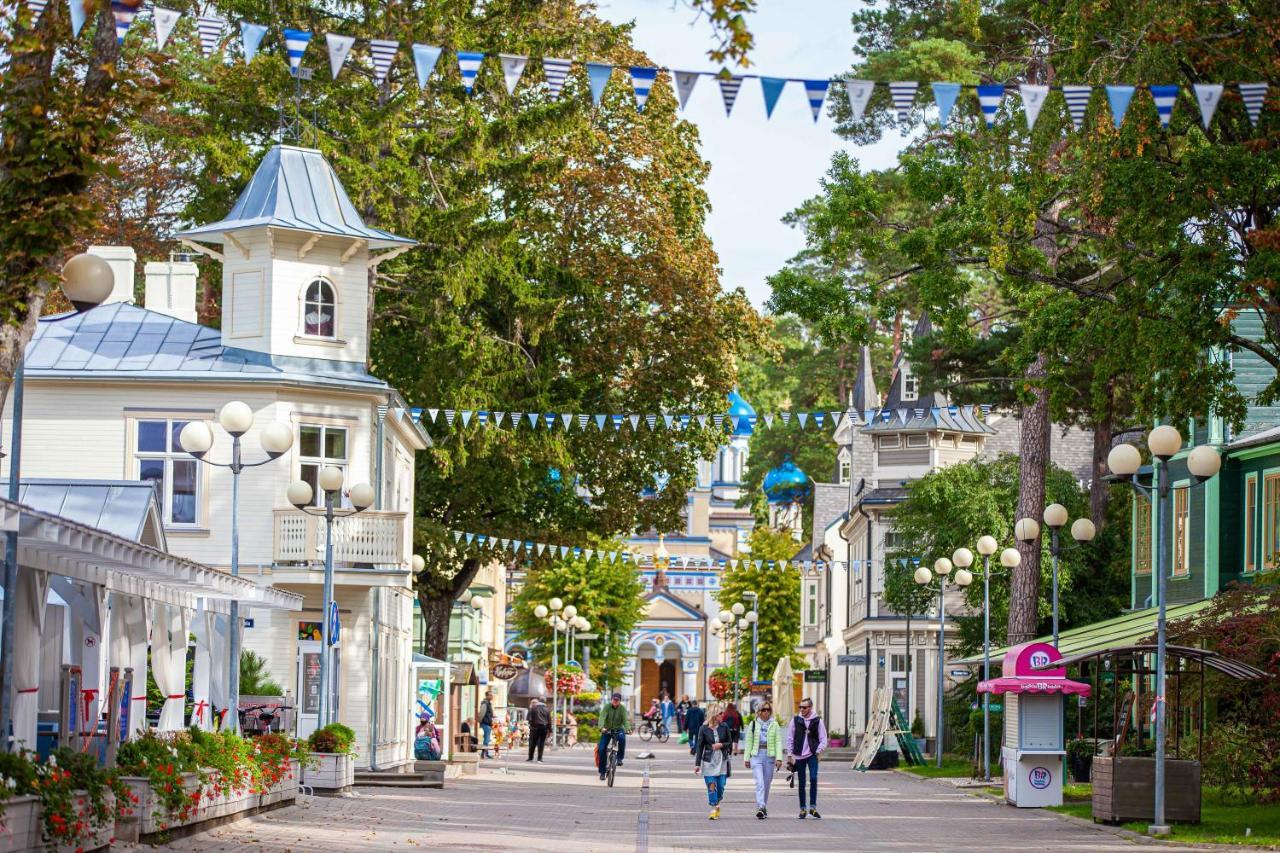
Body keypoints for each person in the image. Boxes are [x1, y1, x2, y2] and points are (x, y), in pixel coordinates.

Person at [784, 697, 828, 819]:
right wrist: (789, 755)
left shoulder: (817, 721)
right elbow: (790, 738)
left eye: (804, 707)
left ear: (810, 708)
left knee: (813, 778)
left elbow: (824, 738)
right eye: (800, 707)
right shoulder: (796, 720)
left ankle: (813, 807)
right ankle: (803, 808)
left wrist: (818, 751)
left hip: (812, 755)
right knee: (802, 782)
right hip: (799, 755)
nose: (802, 709)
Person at [693, 703, 733, 820]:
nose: (723, 715)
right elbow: (699, 747)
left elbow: (729, 743)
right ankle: (713, 808)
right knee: (711, 785)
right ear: (714, 715)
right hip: (708, 761)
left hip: (722, 761)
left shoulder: (724, 727)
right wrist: (697, 764)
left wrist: (721, 745)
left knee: (720, 785)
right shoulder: (703, 728)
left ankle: (717, 801)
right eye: (721, 713)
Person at [744, 702, 783, 819]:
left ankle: (763, 806)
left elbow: (778, 741)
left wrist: (779, 758)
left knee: (766, 783)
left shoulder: (775, 724)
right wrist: (747, 758)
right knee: (759, 782)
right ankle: (761, 806)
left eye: (768, 710)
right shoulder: (753, 724)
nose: (766, 712)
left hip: (769, 756)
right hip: (756, 755)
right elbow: (749, 742)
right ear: (759, 712)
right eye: (764, 710)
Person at [598, 692, 631, 780]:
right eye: (614, 700)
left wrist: (628, 728)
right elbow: (602, 717)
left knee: (622, 739)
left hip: (618, 729)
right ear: (611, 700)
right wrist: (601, 727)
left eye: (617, 700)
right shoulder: (607, 707)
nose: (615, 701)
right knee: (601, 749)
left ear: (620, 701)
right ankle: (602, 772)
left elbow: (625, 720)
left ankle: (619, 758)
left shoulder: (622, 708)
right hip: (607, 729)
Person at [527, 698, 551, 763]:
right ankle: (539, 759)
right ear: (545, 702)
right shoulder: (547, 709)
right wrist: (549, 730)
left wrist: (532, 726)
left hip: (535, 727)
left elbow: (530, 719)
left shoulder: (533, 708)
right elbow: (549, 720)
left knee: (533, 743)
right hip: (544, 727)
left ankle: (530, 757)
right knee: (541, 743)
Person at [479, 690, 495, 759]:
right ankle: (483, 753)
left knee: (487, 739)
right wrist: (480, 722)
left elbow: (488, 713)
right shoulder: (485, 703)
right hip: (485, 723)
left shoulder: (488, 703)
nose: (492, 696)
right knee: (486, 739)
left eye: (492, 695)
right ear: (487, 696)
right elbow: (481, 714)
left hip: (488, 723)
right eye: (490, 695)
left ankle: (486, 753)